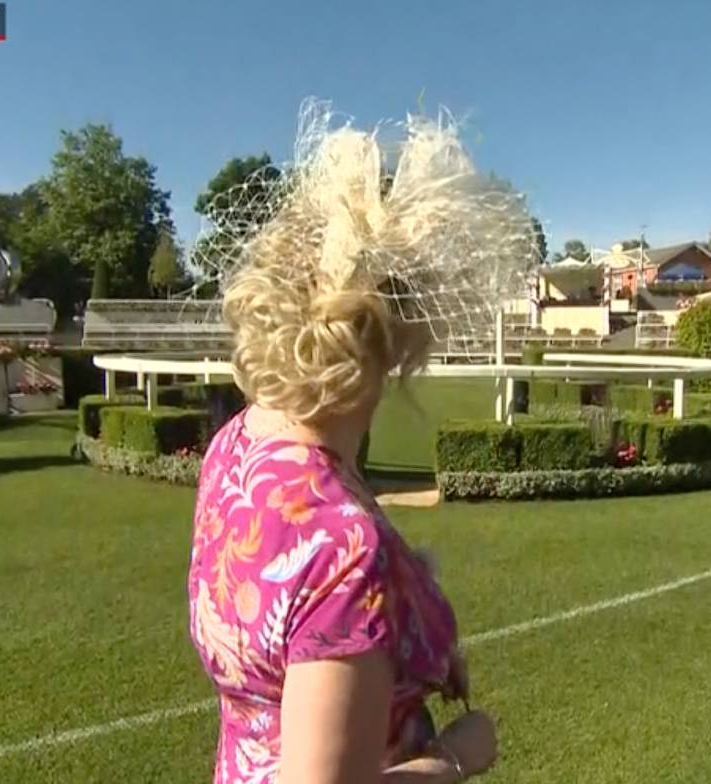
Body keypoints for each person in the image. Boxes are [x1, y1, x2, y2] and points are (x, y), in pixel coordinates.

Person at [188, 102, 532, 784]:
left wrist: (407, 649)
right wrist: (462, 752)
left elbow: (284, 633)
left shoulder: (236, 446)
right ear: (399, 346)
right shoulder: (346, 550)